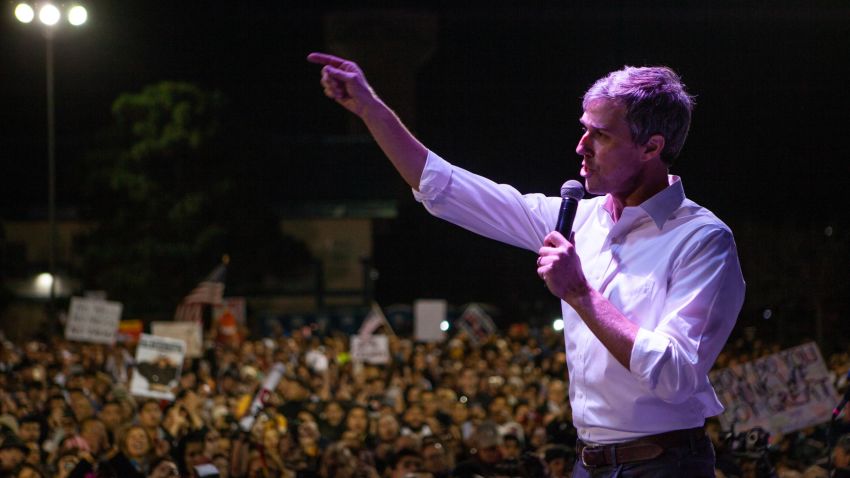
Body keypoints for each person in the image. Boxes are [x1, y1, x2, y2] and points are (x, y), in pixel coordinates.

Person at [307, 51, 745, 477]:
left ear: (652, 147)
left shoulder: (702, 239)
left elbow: (676, 374)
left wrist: (580, 293)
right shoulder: (582, 219)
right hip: (588, 460)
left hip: (665, 465)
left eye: (602, 135)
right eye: (583, 130)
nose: (581, 146)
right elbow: (446, 189)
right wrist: (369, 108)